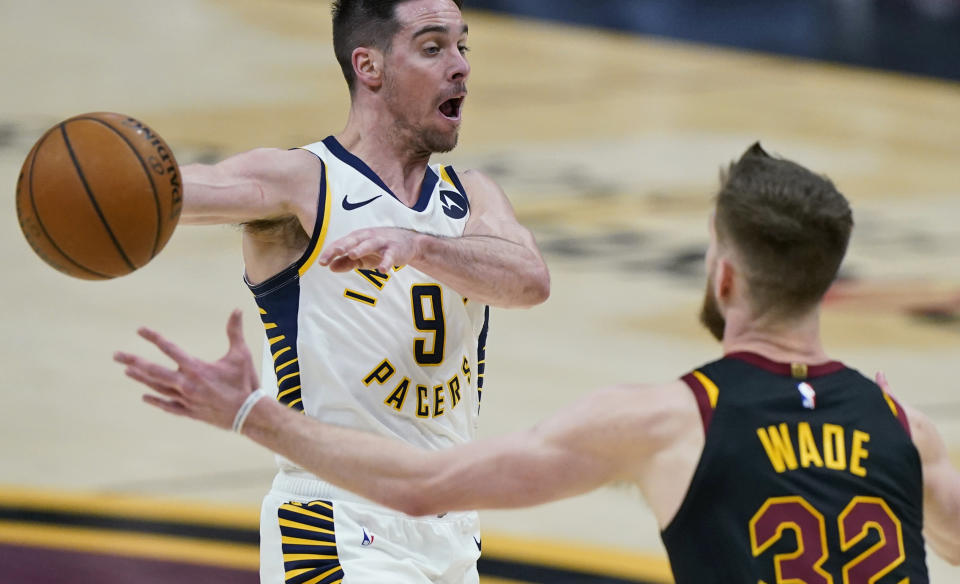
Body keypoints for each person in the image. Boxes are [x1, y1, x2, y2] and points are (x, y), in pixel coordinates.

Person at [118, 143, 960, 582]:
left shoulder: (665, 420)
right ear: (831, 285)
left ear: (725, 273)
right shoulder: (903, 430)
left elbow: (421, 486)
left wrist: (248, 412)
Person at [134, 0, 549, 584]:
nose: (459, 64)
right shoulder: (304, 182)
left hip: (450, 525)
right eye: (432, 47)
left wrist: (418, 246)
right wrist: (109, 181)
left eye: (462, 46)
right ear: (369, 66)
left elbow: (529, 281)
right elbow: (169, 192)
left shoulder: (472, 197)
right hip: (335, 519)